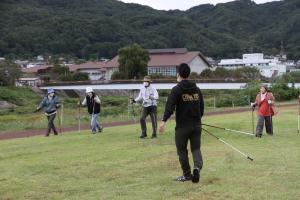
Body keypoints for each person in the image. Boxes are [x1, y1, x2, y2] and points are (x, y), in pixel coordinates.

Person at [159, 63, 204, 183]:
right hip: (196, 125)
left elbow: (170, 107)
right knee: (196, 148)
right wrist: (198, 119)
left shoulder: (176, 89)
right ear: (188, 74)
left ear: (178, 74)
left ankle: (187, 174)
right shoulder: (196, 89)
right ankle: (197, 167)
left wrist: (163, 121)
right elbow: (202, 107)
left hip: (183, 127)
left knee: (182, 150)